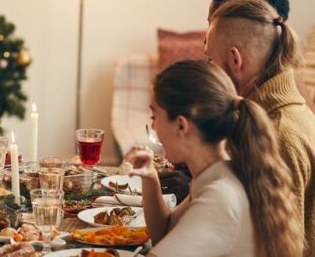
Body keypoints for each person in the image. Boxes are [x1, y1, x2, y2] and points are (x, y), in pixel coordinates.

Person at [125, 60, 301, 256]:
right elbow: (165, 234)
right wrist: (150, 178)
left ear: (181, 126)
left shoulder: (219, 196)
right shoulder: (219, 174)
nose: (154, 127)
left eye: (154, 116)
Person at [205, 0, 315, 253]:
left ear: (235, 60)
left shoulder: (278, 135)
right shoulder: (281, 113)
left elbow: (283, 248)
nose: (208, 69)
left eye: (210, 61)